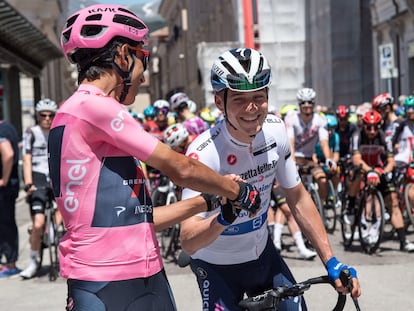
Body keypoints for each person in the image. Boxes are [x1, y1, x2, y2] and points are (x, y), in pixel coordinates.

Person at [49, 5, 260, 311]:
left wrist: (210, 202)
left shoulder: (73, 114)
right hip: (110, 282)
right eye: (142, 59)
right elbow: (181, 168)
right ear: (123, 56)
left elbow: (139, 219)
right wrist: (237, 190)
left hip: (138, 275)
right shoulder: (94, 107)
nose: (144, 78)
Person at [179, 47, 360, 311]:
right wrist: (223, 218)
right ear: (220, 102)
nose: (252, 108)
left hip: (263, 257)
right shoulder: (204, 153)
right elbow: (187, 240)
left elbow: (297, 197)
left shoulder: (276, 131)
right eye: (239, 99)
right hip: (217, 267)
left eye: (259, 97)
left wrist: (331, 262)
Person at [348, 110, 414, 252]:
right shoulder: (357, 135)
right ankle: (351, 205)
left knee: (393, 201)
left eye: (376, 127)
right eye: (369, 127)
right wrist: (370, 171)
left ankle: (403, 241)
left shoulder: (383, 137)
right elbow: (356, 159)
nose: (372, 130)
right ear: (363, 125)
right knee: (357, 175)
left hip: (378, 170)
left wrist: (381, 171)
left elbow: (391, 161)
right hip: (362, 167)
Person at [20, 98, 60, 279]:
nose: (47, 118)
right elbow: (26, 158)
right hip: (37, 177)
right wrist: (28, 183)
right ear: (37, 116)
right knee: (37, 224)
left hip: (55, 177)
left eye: (51, 115)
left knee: (64, 215)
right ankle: (33, 262)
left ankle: (51, 234)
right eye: (43, 115)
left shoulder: (58, 132)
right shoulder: (31, 132)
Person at [285, 87, 337, 206]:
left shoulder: (320, 120)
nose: (307, 105)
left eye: (310, 102)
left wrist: (329, 159)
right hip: (295, 158)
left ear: (313, 103)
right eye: (303, 102)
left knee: (322, 180)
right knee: (294, 187)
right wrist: (292, 162)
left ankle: (320, 206)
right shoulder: (291, 119)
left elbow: (324, 142)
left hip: (309, 159)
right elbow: (290, 142)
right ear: (299, 104)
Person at [267, 181, 317, 259]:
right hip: (263, 183)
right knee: (276, 209)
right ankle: (275, 240)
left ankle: (301, 248)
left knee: (287, 211)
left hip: (279, 182)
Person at [0, 119, 21, 278]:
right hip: (10, 186)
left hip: (5, 188)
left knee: (5, 224)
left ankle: (10, 263)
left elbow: (8, 154)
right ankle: (9, 262)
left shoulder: (2, 130)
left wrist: (3, 180)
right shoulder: (8, 126)